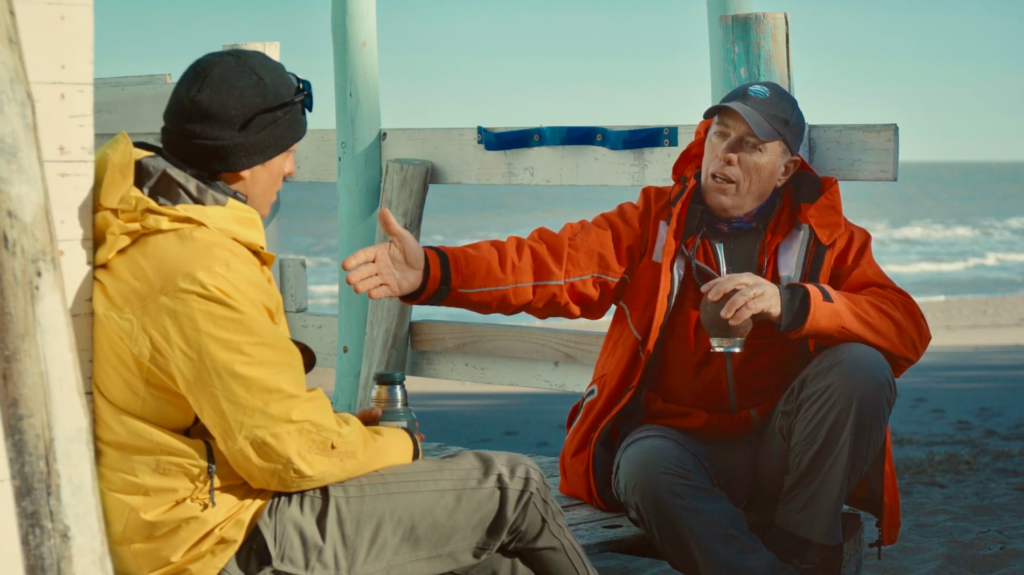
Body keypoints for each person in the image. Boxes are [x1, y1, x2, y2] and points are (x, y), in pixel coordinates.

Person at [342, 81, 932, 574]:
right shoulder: (653, 224)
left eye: (751, 145)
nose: (725, 154)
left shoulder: (828, 242)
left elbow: (906, 327)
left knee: (860, 366)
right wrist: (433, 272)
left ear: (786, 170)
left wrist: (793, 303)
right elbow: (546, 265)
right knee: (645, 466)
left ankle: (810, 550)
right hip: (677, 448)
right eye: (720, 134)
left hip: (782, 449)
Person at [92, 49, 597, 575]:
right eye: (284, 151)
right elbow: (286, 454)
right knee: (515, 488)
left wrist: (341, 433)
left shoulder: (150, 232)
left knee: (493, 570)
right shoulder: (201, 268)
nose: (289, 169)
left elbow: (243, 415)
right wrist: (395, 445)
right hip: (213, 543)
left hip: (191, 514)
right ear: (243, 160)